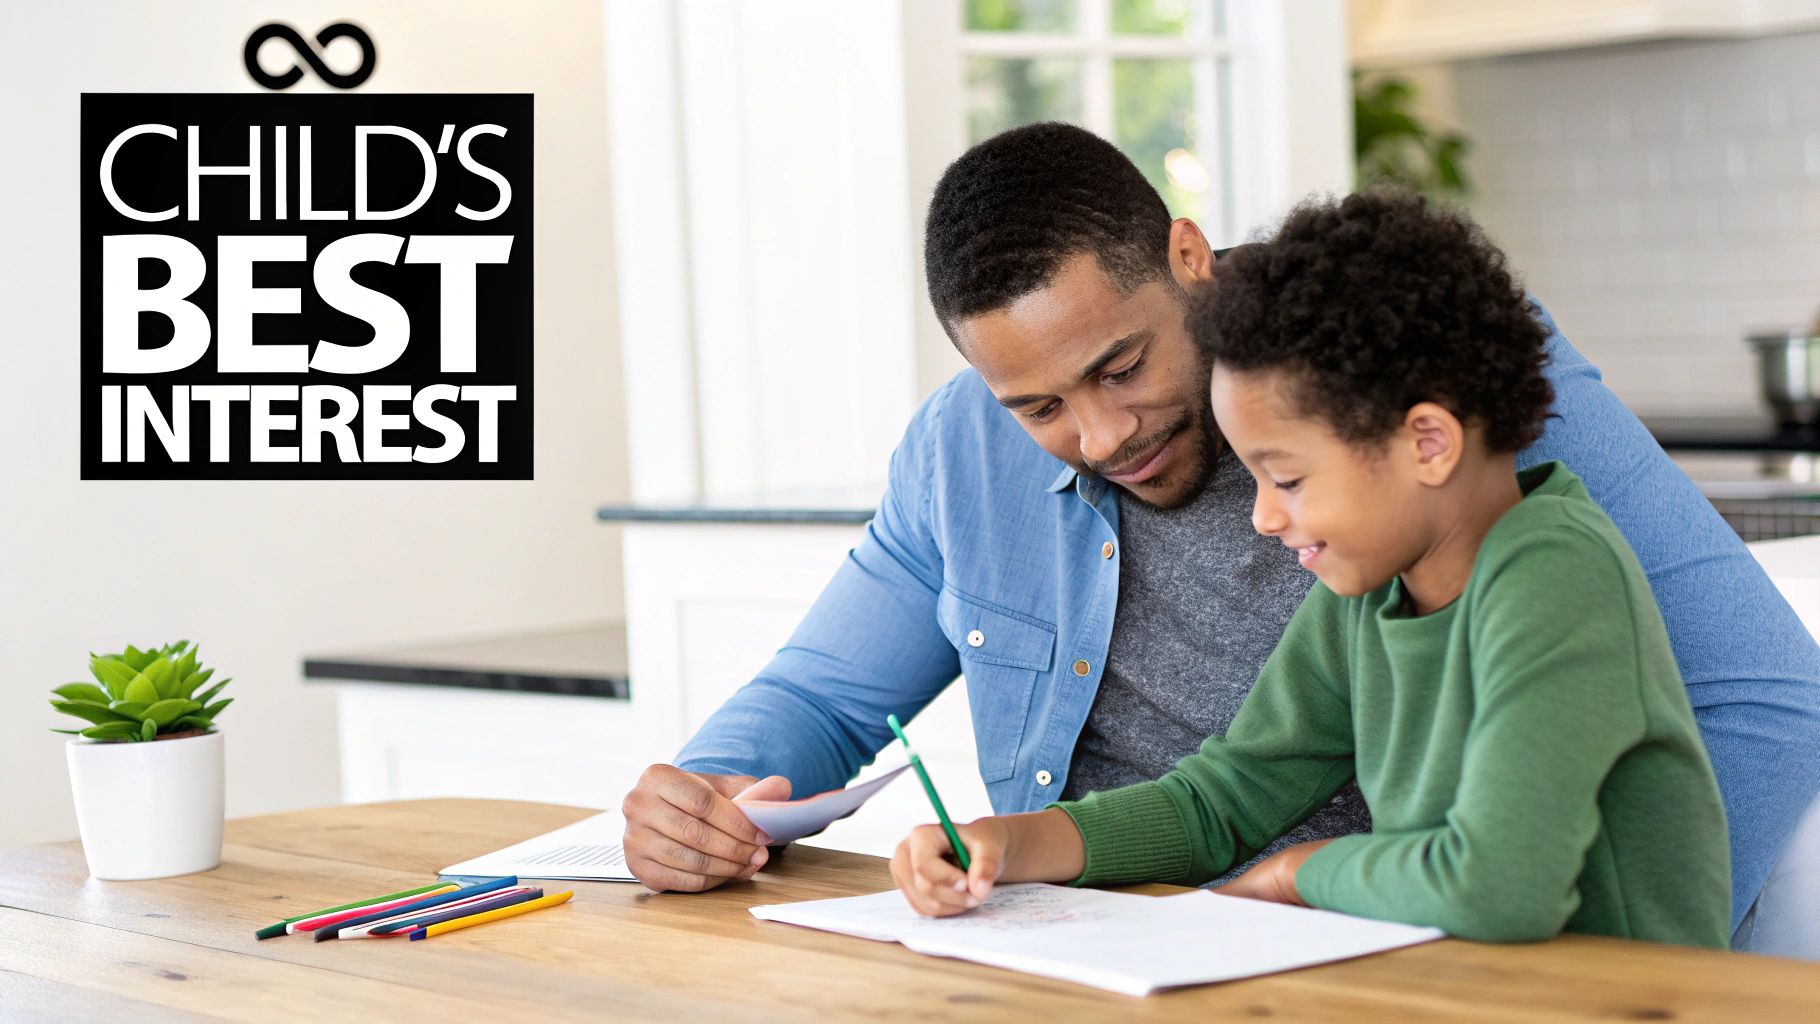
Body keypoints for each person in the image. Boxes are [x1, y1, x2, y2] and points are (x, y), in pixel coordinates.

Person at [618, 123, 1820, 941]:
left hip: (1387, 955)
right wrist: (703, 801)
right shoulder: (963, 453)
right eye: (1035, 407)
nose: (1097, 434)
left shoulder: (1411, 381)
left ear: (1187, 259)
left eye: (1121, 366)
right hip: (1100, 954)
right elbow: (822, 697)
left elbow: (1759, 698)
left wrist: (1602, 956)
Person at [888, 189, 1731, 947]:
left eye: (1286, 478)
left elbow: (1500, 887)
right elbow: (1222, 799)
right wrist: (1010, 842)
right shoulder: (1369, 595)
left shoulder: (1554, 579)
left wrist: (1300, 876)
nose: (1262, 515)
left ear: (1426, 442)